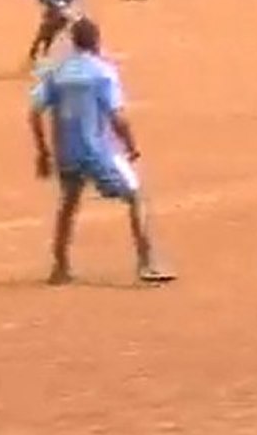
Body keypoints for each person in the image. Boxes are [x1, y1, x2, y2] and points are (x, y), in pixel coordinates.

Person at [28, 17, 175, 285]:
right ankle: (146, 262)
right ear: (96, 41)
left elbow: (34, 111)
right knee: (135, 195)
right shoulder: (103, 72)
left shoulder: (57, 72)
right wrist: (131, 146)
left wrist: (43, 151)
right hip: (97, 151)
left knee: (68, 205)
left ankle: (60, 267)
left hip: (66, 153)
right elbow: (117, 117)